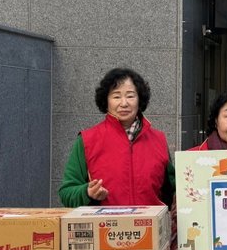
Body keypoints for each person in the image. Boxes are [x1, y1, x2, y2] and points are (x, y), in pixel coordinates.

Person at [58, 67, 174, 208]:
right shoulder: (87, 140)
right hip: (105, 222)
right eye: (116, 96)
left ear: (140, 99)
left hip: (149, 221)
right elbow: (66, 193)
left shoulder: (158, 139)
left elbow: (173, 190)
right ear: (106, 101)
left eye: (130, 96)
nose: (124, 103)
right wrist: (87, 192)